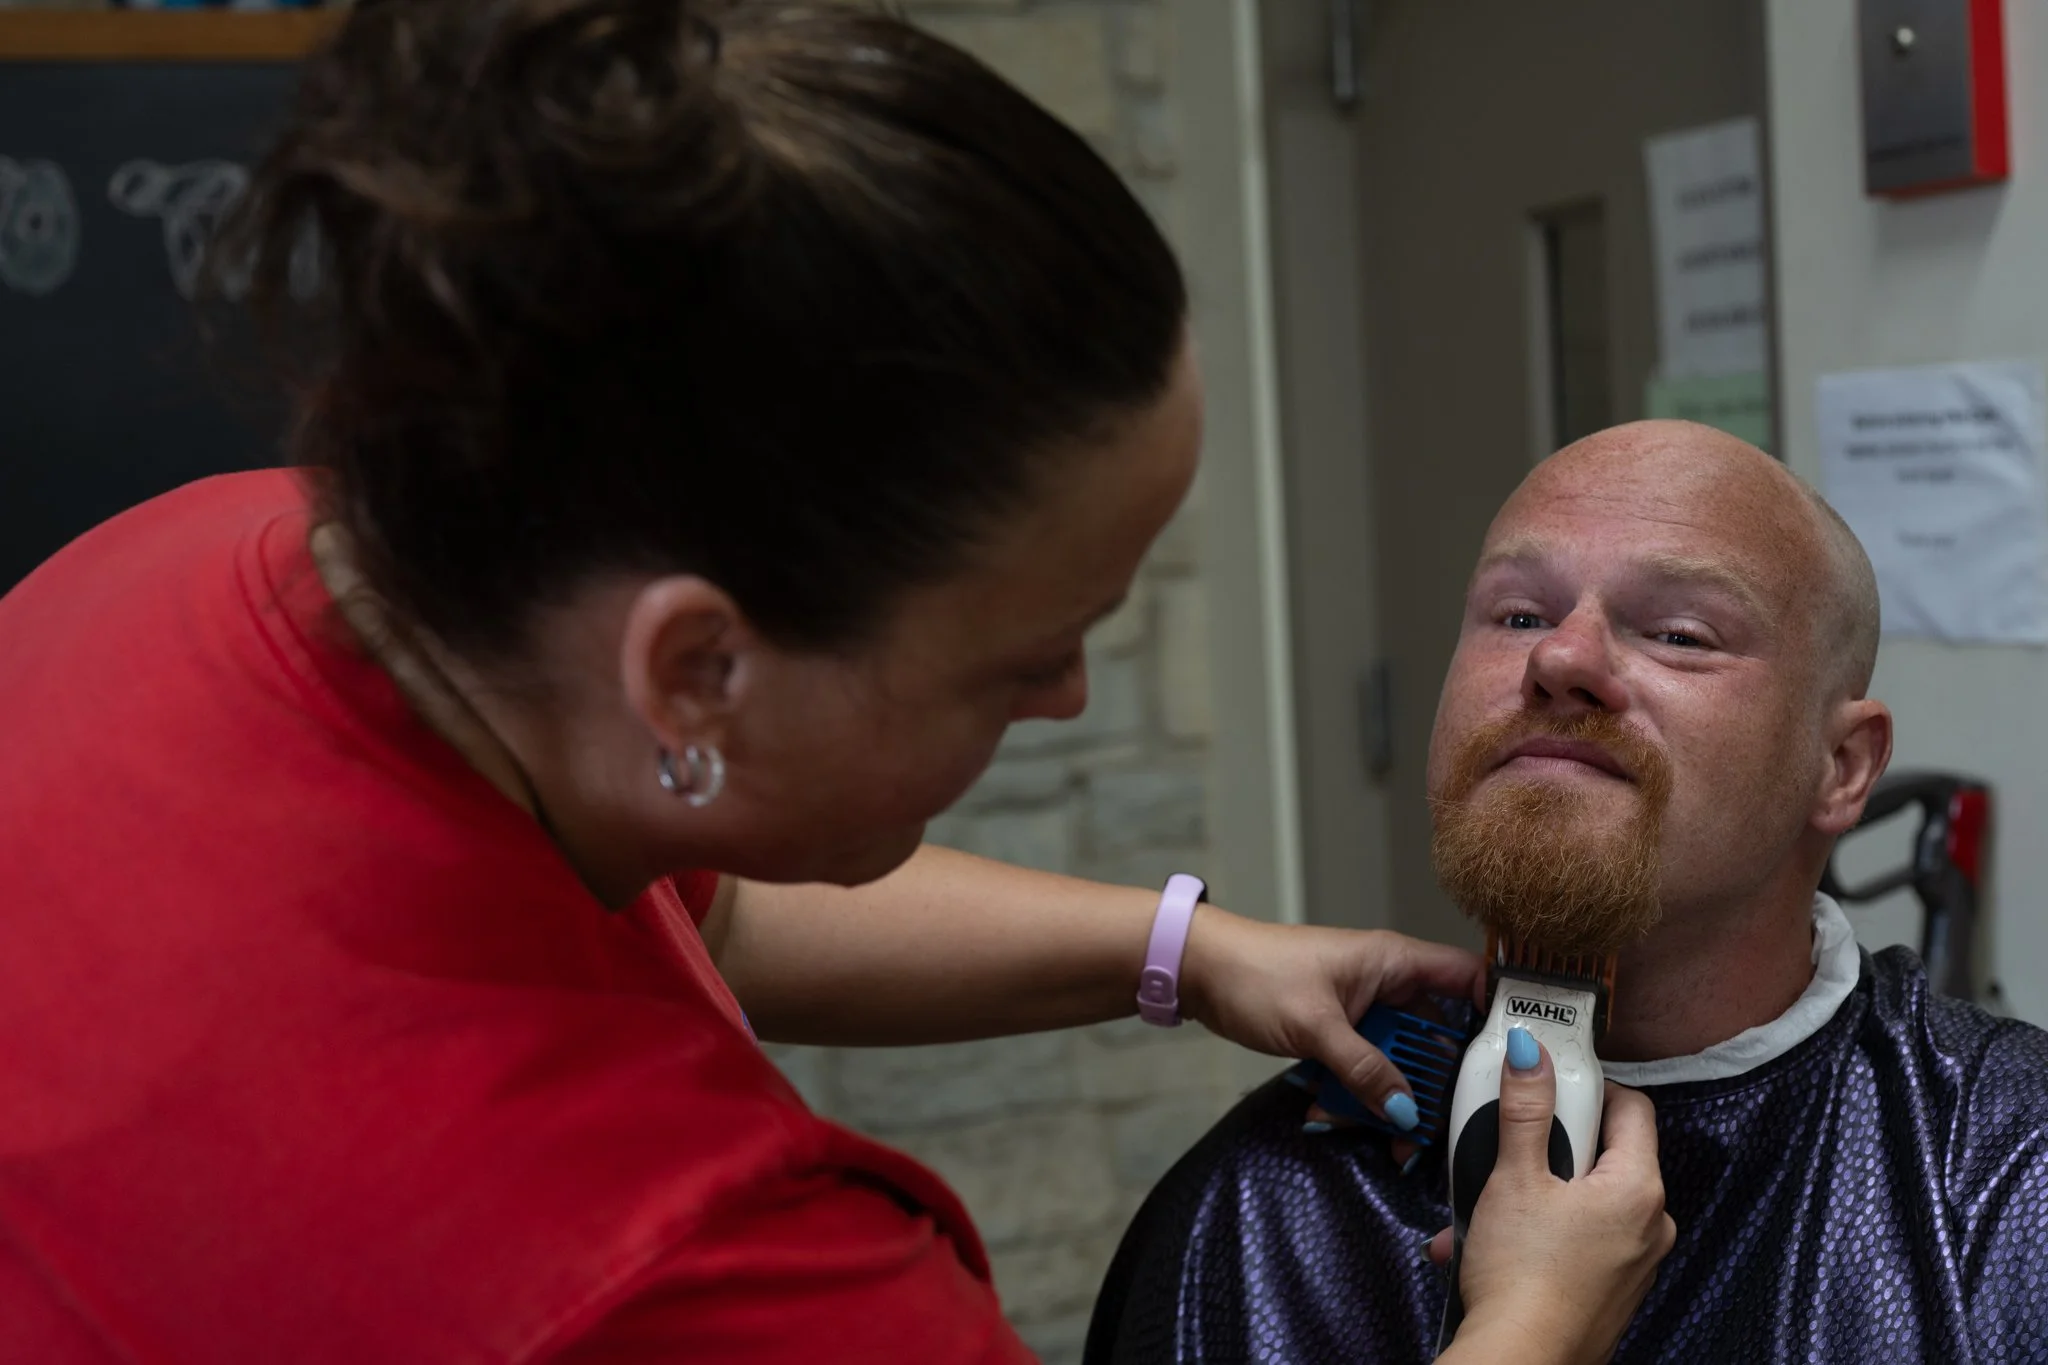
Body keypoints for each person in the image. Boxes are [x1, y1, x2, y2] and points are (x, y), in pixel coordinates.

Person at [0, 4, 1673, 1363]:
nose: (1076, 699)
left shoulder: (214, 565)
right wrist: (1531, 1323)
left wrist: (1178, 949)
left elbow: (661, 902)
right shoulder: (671, 1279)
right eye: (1022, 654)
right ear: (696, 670)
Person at [1085, 420, 2048, 1364]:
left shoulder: (2009, 1177)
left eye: (1679, 632)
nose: (1561, 658)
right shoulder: (1257, 1210)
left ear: (1841, 765)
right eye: (1518, 616)